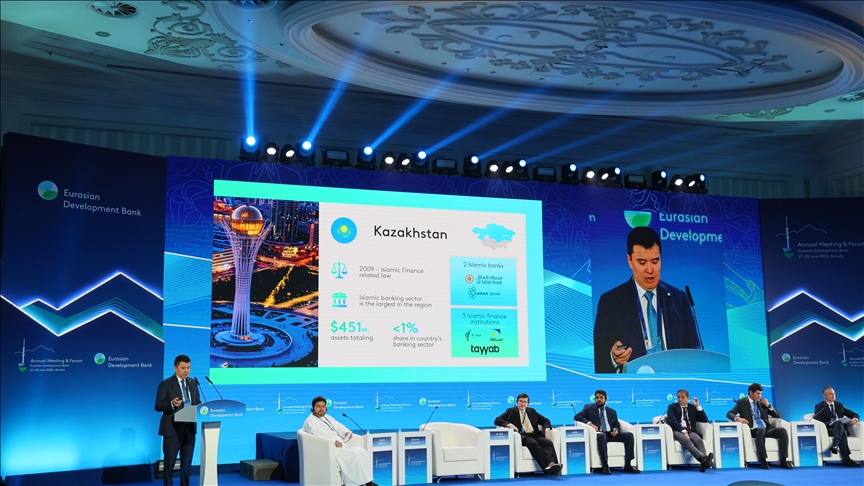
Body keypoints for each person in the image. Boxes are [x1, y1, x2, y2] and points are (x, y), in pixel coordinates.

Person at [593, 226, 702, 373]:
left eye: (655, 261)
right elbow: (598, 358)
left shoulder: (679, 299)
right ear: (630, 261)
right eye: (642, 262)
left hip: (673, 382)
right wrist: (613, 357)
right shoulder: (611, 302)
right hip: (634, 383)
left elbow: (694, 352)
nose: (650, 270)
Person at [303, 396, 377, 486]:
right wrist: (333, 441)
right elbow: (317, 434)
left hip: (340, 445)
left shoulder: (327, 417)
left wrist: (346, 432)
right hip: (329, 448)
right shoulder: (310, 421)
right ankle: (356, 484)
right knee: (354, 455)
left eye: (323, 406)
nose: (321, 409)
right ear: (313, 407)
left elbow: (338, 426)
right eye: (318, 406)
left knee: (362, 452)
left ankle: (368, 482)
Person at [155, 355, 201, 486]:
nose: (186, 371)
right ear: (175, 368)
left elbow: (196, 402)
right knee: (169, 465)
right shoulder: (166, 384)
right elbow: (158, 405)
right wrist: (171, 404)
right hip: (172, 429)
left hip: (189, 429)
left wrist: (202, 407)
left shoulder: (193, 383)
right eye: (183, 368)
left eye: (188, 368)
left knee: (186, 465)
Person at [726, 383, 793, 469]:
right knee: (761, 430)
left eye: (761, 394)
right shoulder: (742, 403)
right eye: (758, 393)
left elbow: (777, 415)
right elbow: (729, 413)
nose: (760, 396)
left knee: (782, 431)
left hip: (767, 429)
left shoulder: (762, 403)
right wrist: (738, 419)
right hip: (753, 429)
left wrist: (768, 406)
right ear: (751, 392)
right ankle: (763, 460)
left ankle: (784, 460)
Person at [494, 393, 562, 478]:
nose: (522, 404)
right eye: (521, 401)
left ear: (528, 403)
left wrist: (547, 429)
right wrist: (510, 425)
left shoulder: (532, 411)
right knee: (533, 443)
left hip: (535, 434)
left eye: (525, 402)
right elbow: (497, 420)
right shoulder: (511, 411)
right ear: (517, 402)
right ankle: (547, 468)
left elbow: (545, 420)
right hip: (523, 436)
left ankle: (552, 465)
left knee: (547, 443)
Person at [574, 390, 640, 474]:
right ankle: (605, 465)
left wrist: (615, 430)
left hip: (611, 434)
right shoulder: (588, 408)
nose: (599, 399)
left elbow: (616, 424)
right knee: (603, 436)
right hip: (599, 434)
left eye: (601, 398)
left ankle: (628, 464)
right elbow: (577, 417)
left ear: (605, 399)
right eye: (597, 398)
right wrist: (590, 424)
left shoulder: (612, 412)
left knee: (629, 435)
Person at [666, 389, 714, 472]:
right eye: (678, 397)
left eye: (682, 397)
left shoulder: (692, 408)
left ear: (687, 398)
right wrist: (684, 431)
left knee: (699, 440)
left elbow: (704, 419)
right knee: (686, 440)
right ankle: (703, 458)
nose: (680, 399)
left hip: (690, 431)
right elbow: (672, 421)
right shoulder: (672, 407)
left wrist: (698, 406)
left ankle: (703, 464)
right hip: (677, 430)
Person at [813, 386, 861, 467]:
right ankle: (847, 459)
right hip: (829, 429)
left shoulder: (839, 405)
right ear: (824, 396)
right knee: (841, 429)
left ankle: (835, 445)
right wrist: (831, 423)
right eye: (830, 394)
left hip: (839, 429)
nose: (833, 396)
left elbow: (854, 414)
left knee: (840, 426)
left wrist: (855, 419)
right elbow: (819, 421)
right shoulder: (820, 406)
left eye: (834, 394)